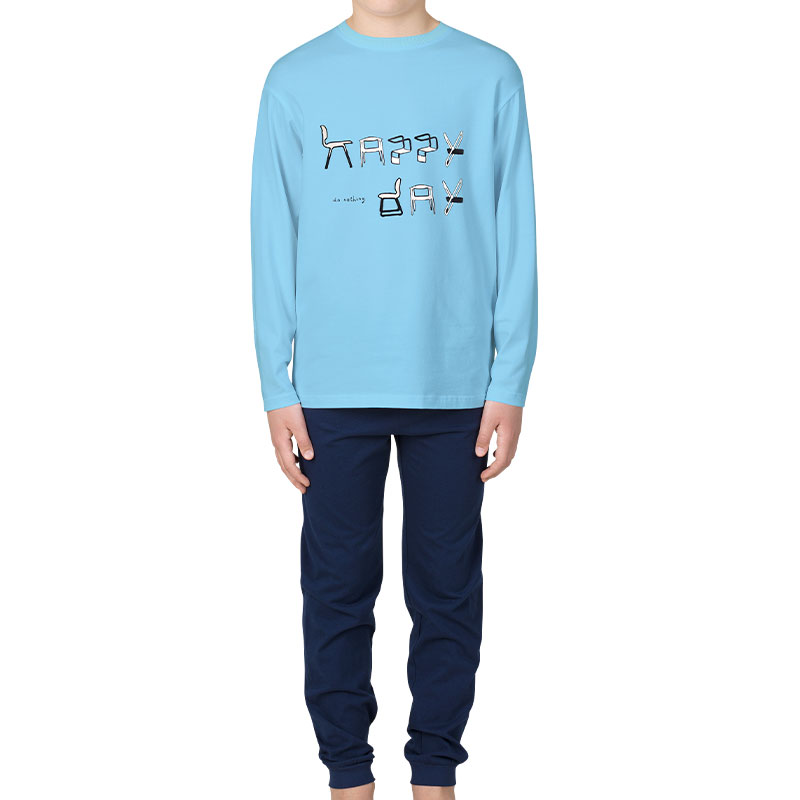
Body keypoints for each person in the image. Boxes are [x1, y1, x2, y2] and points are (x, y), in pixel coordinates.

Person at [251, 1, 537, 797]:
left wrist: (510, 377)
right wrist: (276, 380)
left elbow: (517, 230)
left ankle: (435, 775)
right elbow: (272, 234)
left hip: (455, 382)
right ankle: (348, 776)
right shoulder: (295, 79)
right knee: (336, 588)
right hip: (332, 385)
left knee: (448, 590)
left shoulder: (489, 75)